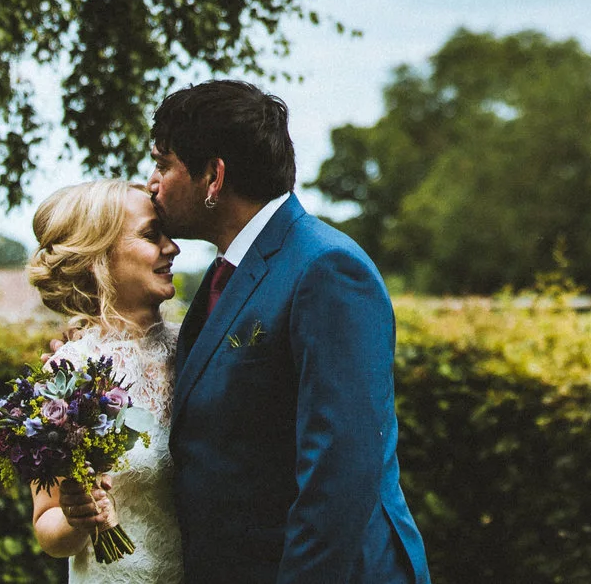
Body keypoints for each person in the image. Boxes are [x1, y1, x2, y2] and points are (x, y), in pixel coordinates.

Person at [147, 80, 431, 584]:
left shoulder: (327, 269)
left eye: (163, 164)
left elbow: (339, 475)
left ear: (214, 177)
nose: (153, 182)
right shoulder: (223, 276)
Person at [27, 179, 185, 580]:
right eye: (152, 235)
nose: (172, 247)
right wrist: (76, 518)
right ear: (101, 254)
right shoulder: (68, 373)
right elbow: (47, 528)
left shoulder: (199, 348)